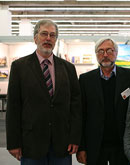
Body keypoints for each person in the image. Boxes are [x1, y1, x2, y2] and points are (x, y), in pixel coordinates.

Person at [6, 19, 82, 165]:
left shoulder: (68, 68)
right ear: (35, 38)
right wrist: (13, 142)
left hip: (62, 143)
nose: (48, 38)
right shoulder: (19, 67)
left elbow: (76, 106)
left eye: (52, 35)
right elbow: (13, 107)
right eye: (44, 34)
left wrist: (74, 138)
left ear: (56, 40)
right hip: (31, 143)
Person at [77, 37, 130, 165]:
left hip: (122, 144)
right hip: (95, 145)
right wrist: (81, 147)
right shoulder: (85, 80)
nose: (105, 55)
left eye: (109, 50)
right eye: (100, 51)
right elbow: (81, 115)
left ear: (116, 53)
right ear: (96, 55)